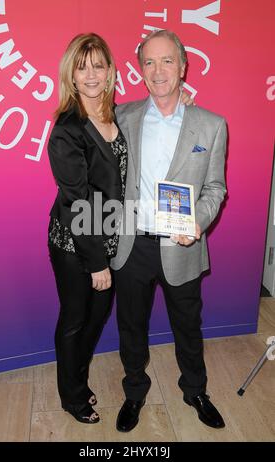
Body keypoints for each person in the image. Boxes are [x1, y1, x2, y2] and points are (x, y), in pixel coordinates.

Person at [111, 29, 227, 432]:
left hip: (182, 243)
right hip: (132, 245)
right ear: (140, 69)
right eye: (149, 62)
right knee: (131, 327)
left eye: (166, 61)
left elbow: (215, 187)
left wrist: (198, 221)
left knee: (188, 327)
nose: (157, 70)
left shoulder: (211, 125)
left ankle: (195, 390)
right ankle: (135, 391)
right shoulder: (121, 117)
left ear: (183, 66)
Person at [47, 33, 127, 424]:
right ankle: (71, 396)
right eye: (83, 66)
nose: (91, 74)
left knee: (97, 318)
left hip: (109, 239)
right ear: (72, 75)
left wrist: (183, 102)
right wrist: (97, 263)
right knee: (76, 319)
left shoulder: (117, 115)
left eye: (98, 64)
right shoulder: (67, 130)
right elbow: (80, 203)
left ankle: (78, 377)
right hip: (75, 244)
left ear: (111, 70)